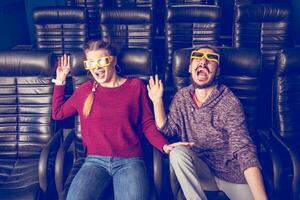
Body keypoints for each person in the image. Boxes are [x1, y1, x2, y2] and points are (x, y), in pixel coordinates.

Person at [52, 39, 185, 200]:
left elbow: (147, 124)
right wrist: (60, 80)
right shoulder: (84, 90)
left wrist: (164, 146)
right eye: (91, 63)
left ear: (113, 60)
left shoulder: (136, 87)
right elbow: (58, 114)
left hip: (130, 161)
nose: (97, 68)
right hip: (94, 161)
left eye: (101, 61)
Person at [147, 46, 268, 200]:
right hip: (201, 172)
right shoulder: (182, 97)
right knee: (177, 153)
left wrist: (261, 198)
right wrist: (157, 101)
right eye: (198, 57)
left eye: (211, 59)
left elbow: (243, 148)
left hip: (230, 174)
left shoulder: (229, 102)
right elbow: (168, 129)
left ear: (217, 71)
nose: (203, 61)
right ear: (190, 68)